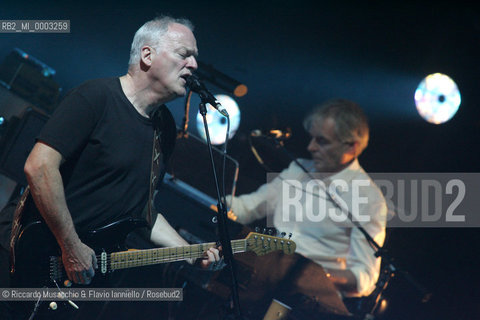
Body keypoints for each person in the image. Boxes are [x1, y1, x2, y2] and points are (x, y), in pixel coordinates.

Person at [6, 15, 221, 319]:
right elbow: (39, 167)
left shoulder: (164, 129)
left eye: (194, 58)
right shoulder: (96, 97)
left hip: (73, 278)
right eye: (184, 54)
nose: (194, 65)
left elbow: (143, 211)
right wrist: (71, 246)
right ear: (147, 55)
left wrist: (189, 252)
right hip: (25, 254)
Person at [227, 99, 387, 298]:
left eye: (322, 141)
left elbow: (364, 276)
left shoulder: (369, 197)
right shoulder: (299, 169)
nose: (310, 147)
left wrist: (308, 275)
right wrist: (215, 206)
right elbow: (248, 207)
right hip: (262, 280)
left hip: (309, 300)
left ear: (351, 147)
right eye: (312, 138)